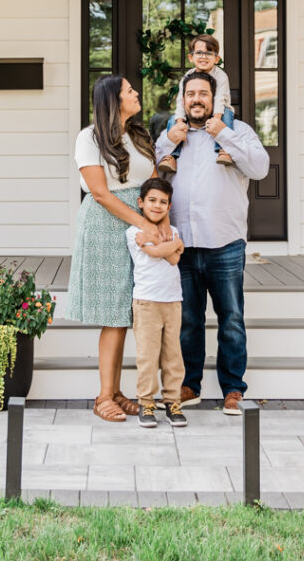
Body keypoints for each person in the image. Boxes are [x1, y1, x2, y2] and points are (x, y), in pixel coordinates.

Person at [155, 72, 270, 415]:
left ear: (214, 98)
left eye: (203, 93)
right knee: (188, 320)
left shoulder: (238, 131)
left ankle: (233, 389)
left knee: (231, 319)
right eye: (190, 93)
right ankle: (190, 384)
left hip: (225, 243)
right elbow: (154, 176)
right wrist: (166, 143)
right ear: (182, 99)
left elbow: (261, 167)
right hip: (183, 245)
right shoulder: (172, 136)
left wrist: (226, 135)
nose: (196, 99)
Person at [66, 74, 171, 423]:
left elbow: (153, 182)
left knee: (129, 310)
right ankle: (103, 396)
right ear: (113, 99)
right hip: (106, 226)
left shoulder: (138, 135)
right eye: (129, 90)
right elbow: (100, 193)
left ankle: (117, 390)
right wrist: (145, 224)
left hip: (140, 224)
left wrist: (161, 220)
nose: (136, 93)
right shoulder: (90, 138)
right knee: (113, 312)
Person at [126, 177, 187, 429]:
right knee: (148, 356)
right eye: (152, 200)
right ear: (141, 203)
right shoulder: (134, 232)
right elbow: (160, 254)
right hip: (147, 302)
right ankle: (146, 402)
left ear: (169, 206)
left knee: (173, 355)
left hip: (172, 301)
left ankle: (172, 401)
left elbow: (172, 260)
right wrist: (175, 246)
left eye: (163, 202)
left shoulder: (174, 231)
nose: (157, 205)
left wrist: (172, 244)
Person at [157, 34, 235, 174]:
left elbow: (219, 100)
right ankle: (171, 156)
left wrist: (216, 120)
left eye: (209, 53)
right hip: (194, 111)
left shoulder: (221, 76)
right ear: (190, 57)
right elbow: (181, 102)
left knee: (227, 118)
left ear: (217, 58)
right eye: (199, 52)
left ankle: (224, 150)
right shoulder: (187, 77)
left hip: (220, 110)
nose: (204, 57)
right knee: (172, 121)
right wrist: (180, 122)